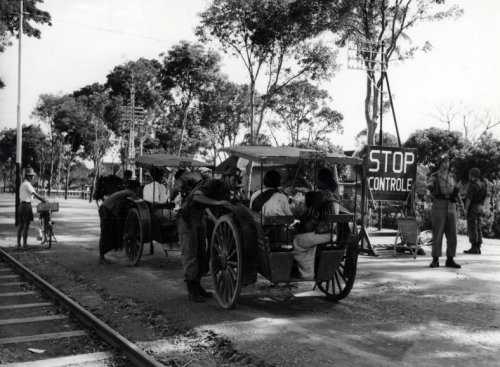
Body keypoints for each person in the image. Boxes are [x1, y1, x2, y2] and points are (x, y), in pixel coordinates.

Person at [175, 172, 231, 302]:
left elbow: (208, 207)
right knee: (190, 254)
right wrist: (217, 203)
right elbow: (197, 197)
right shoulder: (213, 183)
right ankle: (192, 291)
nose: (236, 182)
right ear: (226, 177)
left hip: (199, 218)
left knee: (201, 254)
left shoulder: (224, 189)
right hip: (187, 219)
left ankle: (198, 286)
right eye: (234, 178)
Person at [293, 168, 340, 278]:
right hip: (332, 233)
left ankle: (306, 272)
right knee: (304, 237)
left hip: (323, 233)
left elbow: (308, 211)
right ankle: (309, 268)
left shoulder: (320, 195)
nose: (316, 182)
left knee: (297, 240)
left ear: (322, 181)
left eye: (317, 180)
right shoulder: (334, 195)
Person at [428, 155, 461, 268]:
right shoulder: (435, 176)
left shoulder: (453, 176)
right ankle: (435, 259)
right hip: (439, 204)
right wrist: (431, 188)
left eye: (447, 162)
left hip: (451, 205)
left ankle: (450, 259)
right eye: (443, 162)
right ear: (440, 163)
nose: (446, 164)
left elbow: (457, 189)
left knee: (452, 235)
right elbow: (429, 186)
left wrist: (459, 201)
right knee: (437, 233)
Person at [98, 189, 137, 264]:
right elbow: (119, 206)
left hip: (106, 208)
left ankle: (102, 256)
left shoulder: (126, 192)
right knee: (105, 233)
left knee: (109, 232)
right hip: (106, 209)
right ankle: (101, 258)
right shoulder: (130, 194)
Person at [17, 167, 46, 249]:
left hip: (21, 205)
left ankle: (19, 244)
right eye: (32, 176)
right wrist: (43, 200)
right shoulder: (27, 184)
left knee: (21, 226)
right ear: (28, 176)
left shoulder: (23, 184)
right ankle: (24, 244)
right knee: (26, 225)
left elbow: (32, 196)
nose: (33, 177)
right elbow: (35, 195)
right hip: (26, 206)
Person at [464, 167, 487, 254]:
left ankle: (474, 247)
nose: (468, 176)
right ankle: (478, 247)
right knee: (478, 227)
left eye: (469, 174)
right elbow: (485, 196)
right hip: (480, 207)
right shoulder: (483, 184)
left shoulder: (473, 185)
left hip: (473, 207)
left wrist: (465, 209)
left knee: (472, 226)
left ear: (472, 175)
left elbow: (469, 198)